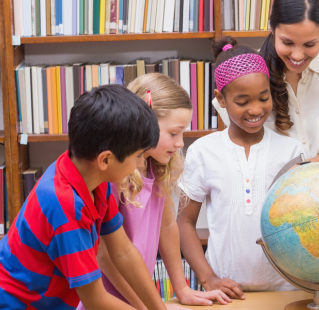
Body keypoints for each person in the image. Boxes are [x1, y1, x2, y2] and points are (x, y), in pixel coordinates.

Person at [0, 85, 169, 310]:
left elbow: (124, 251)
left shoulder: (94, 179)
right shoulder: (65, 205)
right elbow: (95, 300)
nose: (140, 164)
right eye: (138, 155)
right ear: (105, 160)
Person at [76, 74, 231, 310]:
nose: (180, 143)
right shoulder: (113, 175)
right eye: (173, 133)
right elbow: (105, 256)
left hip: (140, 297)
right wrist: (146, 304)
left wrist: (181, 288)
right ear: (144, 124)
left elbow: (167, 227)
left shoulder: (157, 167)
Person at [177, 37, 305, 300]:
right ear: (221, 99)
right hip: (225, 293)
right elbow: (184, 221)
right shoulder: (203, 151)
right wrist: (208, 278)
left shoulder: (292, 151)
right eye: (243, 101)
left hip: (287, 289)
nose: (255, 109)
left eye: (263, 97)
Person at [212, 0, 319, 163]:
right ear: (271, 25)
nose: (297, 56)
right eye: (287, 42)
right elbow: (245, 152)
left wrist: (297, 173)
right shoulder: (247, 73)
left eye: (310, 44)